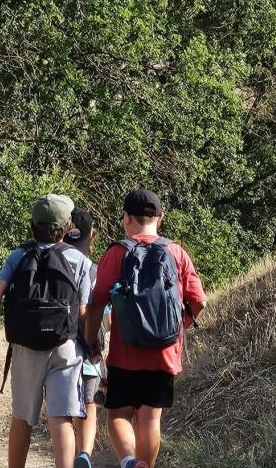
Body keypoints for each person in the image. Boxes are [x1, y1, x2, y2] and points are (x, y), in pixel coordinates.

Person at [84, 189, 207, 468]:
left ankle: (129, 462)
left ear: (126, 218)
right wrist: (178, 327)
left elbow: (96, 304)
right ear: (160, 218)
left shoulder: (117, 253)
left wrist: (91, 342)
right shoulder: (176, 252)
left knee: (117, 414)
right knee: (151, 418)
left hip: (125, 352)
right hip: (164, 353)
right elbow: (199, 301)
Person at [0, 194, 93, 468]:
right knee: (61, 416)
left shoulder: (18, 255)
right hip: (65, 346)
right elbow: (82, 313)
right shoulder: (78, 260)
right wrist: (91, 344)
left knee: (22, 416)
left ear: (33, 224)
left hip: (25, 346)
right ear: (68, 226)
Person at [62, 208, 102, 468]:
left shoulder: (52, 259)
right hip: (87, 348)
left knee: (62, 406)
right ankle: (84, 453)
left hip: (59, 345)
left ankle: (64, 457)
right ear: (93, 236)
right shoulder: (95, 269)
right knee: (89, 401)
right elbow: (99, 315)